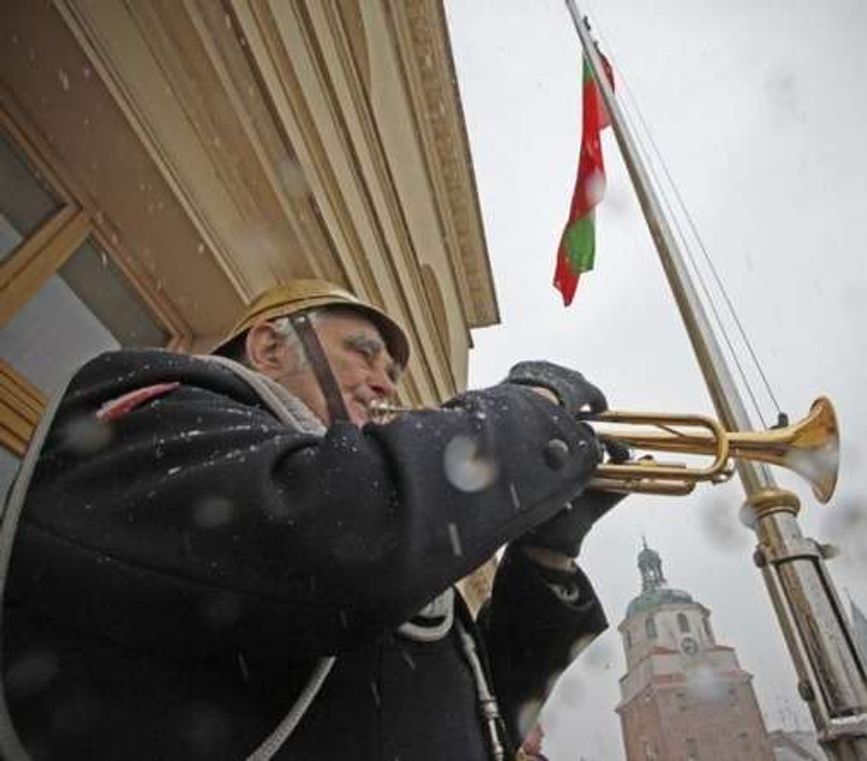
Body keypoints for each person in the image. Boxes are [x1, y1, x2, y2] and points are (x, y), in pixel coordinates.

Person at [0, 279, 625, 760]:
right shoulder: (150, 411)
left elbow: (488, 718)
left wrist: (546, 557)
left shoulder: (378, 535)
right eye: (364, 354)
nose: (383, 383)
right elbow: (340, 542)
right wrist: (529, 413)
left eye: (391, 373)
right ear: (271, 346)